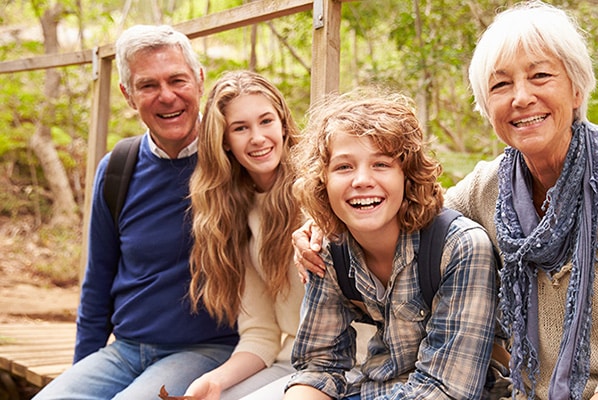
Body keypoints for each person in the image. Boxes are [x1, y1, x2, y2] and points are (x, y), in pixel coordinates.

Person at [293, 2, 598, 399]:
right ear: (488, 107)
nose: (522, 97)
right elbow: (404, 208)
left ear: (577, 90)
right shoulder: (488, 189)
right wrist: (320, 225)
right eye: (501, 84)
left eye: (540, 76)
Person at [34, 25, 239, 399]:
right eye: (148, 85)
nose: (166, 96)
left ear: (199, 80)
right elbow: (97, 282)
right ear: (128, 95)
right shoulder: (117, 168)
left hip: (207, 349)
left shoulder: (234, 160)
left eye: (177, 80)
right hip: (126, 349)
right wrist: (82, 367)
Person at [283, 90, 500, 400]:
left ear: (407, 176)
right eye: (344, 167)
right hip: (374, 389)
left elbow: (444, 389)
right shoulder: (328, 250)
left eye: (381, 164)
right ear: (324, 182)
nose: (361, 180)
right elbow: (319, 366)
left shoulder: (460, 247)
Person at [181, 70, 304, 400]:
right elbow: (262, 331)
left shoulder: (319, 193)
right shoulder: (234, 213)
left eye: (266, 121)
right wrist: (217, 380)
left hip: (348, 364)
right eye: (240, 128)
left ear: (283, 123)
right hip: (292, 361)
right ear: (224, 141)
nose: (258, 138)